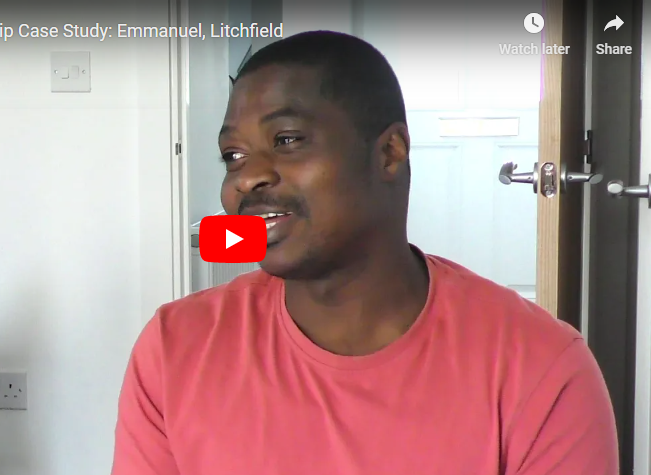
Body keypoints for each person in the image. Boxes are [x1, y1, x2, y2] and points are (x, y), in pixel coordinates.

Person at [111, 31, 619, 474]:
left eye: (286, 140)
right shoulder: (174, 351)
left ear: (389, 153)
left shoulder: (542, 370)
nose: (246, 177)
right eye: (233, 156)